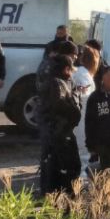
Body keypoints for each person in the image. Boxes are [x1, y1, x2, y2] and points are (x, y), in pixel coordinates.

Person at [41, 54, 82, 194]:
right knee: (67, 166)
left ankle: (57, 194)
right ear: (66, 69)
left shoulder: (59, 81)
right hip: (60, 132)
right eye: (71, 69)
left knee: (57, 165)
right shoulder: (57, 83)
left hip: (59, 131)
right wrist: (75, 104)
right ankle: (63, 195)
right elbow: (61, 104)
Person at [71, 46, 99, 176]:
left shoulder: (79, 73)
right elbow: (86, 98)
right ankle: (81, 186)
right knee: (82, 155)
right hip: (83, 120)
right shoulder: (84, 76)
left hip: (77, 119)